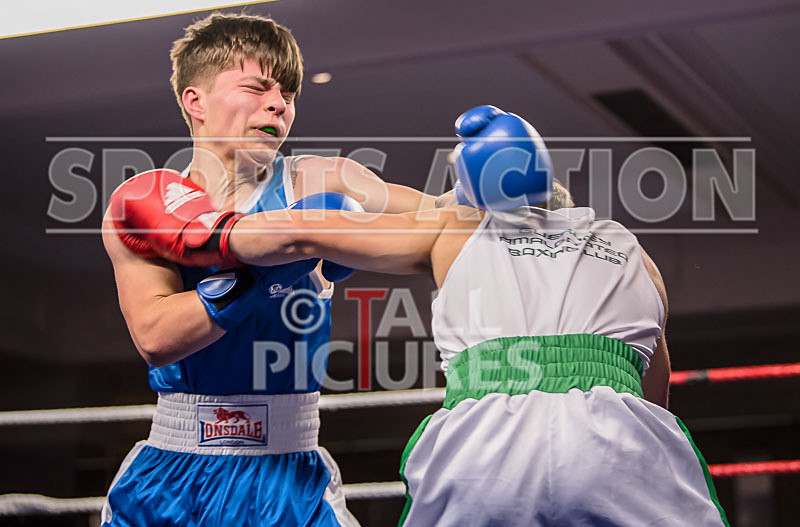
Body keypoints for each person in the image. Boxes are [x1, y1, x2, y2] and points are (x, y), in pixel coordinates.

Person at [114, 104, 730, 526]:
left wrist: (207, 231)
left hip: (489, 447)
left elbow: (302, 233)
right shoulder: (633, 251)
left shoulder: (461, 229)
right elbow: (655, 396)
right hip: (622, 440)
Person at [101, 12, 438, 527]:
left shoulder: (323, 182)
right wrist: (275, 269)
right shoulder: (148, 204)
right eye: (257, 88)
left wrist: (522, 196)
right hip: (170, 480)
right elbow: (157, 336)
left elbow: (440, 223)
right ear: (196, 102)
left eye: (288, 95)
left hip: (290, 478)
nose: (279, 104)